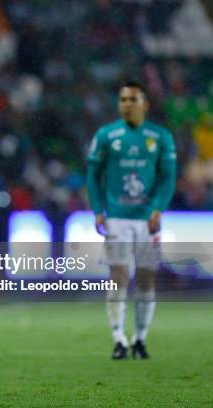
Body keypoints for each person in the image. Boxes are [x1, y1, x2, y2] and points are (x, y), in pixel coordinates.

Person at [86, 81, 176, 360]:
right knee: (119, 276)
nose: (126, 104)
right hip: (117, 218)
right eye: (123, 99)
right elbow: (93, 174)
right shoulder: (106, 135)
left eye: (133, 99)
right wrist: (97, 210)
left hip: (147, 219)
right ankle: (118, 339)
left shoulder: (160, 137)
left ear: (145, 104)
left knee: (147, 278)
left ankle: (140, 338)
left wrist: (159, 208)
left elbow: (167, 177)